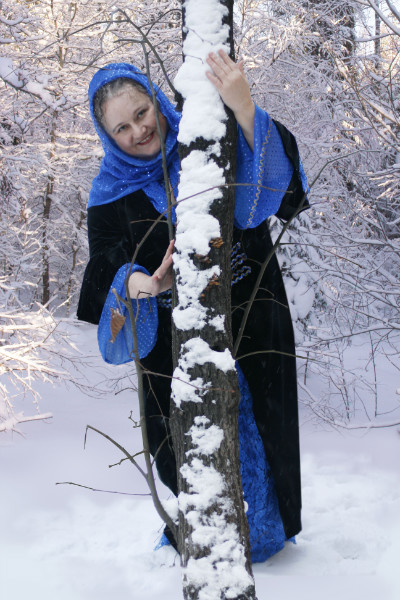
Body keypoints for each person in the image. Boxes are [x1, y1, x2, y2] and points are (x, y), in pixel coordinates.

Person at [77, 50, 309, 563]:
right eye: (121, 127)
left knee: (265, 429)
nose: (138, 131)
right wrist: (140, 282)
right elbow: (103, 265)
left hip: (252, 314)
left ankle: (268, 536)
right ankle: (203, 530)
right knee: (185, 443)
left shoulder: (205, 139)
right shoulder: (109, 192)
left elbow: (274, 190)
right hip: (173, 347)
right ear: (107, 136)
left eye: (141, 113)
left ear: (156, 101)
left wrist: (244, 108)